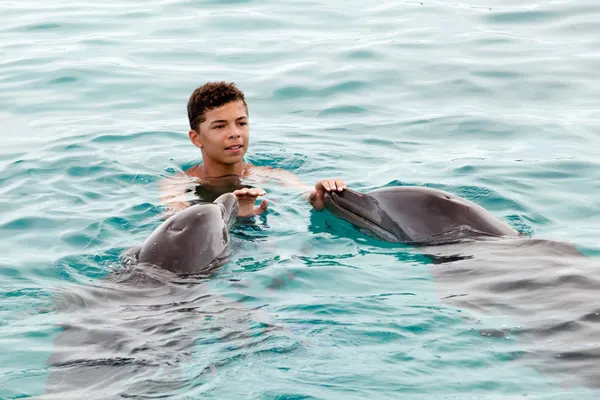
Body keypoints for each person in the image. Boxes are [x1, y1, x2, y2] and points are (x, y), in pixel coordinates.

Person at [160, 81, 347, 218]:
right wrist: (233, 218)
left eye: (241, 123)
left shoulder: (272, 175)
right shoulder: (177, 184)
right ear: (196, 138)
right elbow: (175, 220)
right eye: (220, 126)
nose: (235, 133)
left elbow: (306, 192)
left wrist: (320, 198)